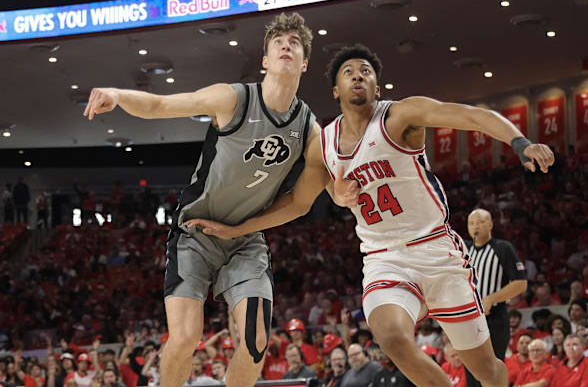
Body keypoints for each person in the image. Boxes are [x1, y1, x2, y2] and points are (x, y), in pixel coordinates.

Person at [184, 44, 555, 387]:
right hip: (383, 257)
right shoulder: (323, 144)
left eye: (366, 71)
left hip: (436, 251)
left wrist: (519, 142)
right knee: (391, 336)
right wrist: (237, 228)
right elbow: (297, 204)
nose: (358, 76)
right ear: (335, 89)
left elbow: (471, 116)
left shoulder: (400, 116)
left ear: (378, 86)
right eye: (349, 71)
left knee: (487, 369)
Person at [83, 13, 321, 387]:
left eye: (295, 43)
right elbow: (161, 105)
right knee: (184, 338)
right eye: (279, 42)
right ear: (265, 60)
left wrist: (239, 229)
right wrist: (118, 94)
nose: (286, 46)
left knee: (257, 342)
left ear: (305, 62)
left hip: (245, 238)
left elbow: (301, 203)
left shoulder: (309, 129)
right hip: (194, 232)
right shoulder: (234, 99)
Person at [464, 208, 528, 365]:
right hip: (468, 317)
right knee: (471, 368)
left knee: (493, 366)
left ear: (491, 225)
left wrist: (491, 299)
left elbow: (520, 283)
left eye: (480, 222)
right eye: (471, 223)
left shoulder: (503, 248)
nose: (475, 226)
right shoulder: (463, 250)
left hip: (494, 317)